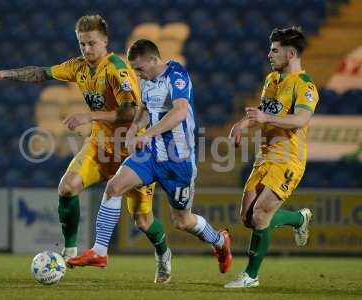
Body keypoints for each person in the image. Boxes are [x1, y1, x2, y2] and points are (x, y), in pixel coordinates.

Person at [0, 15, 172, 284]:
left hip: (131, 150)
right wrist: (4, 74)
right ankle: (69, 252)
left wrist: (90, 116)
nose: (87, 49)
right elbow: (42, 73)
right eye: (82, 44)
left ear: (105, 41)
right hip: (99, 146)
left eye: (92, 43)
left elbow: (130, 113)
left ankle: (163, 254)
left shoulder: (119, 70)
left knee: (142, 222)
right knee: (67, 187)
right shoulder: (79, 67)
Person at [69, 39, 233, 275]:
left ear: (155, 60)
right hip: (152, 153)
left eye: (139, 68)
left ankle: (219, 241)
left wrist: (148, 134)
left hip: (179, 162)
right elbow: (145, 110)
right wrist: (135, 129)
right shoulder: (146, 80)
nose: (137, 74)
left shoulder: (176, 75)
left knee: (182, 220)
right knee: (114, 187)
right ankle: (99, 251)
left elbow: (179, 112)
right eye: (134, 69)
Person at [224, 27, 317, 288]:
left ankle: (251, 276)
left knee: (261, 216)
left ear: (291, 53)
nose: (269, 55)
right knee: (247, 218)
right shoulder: (272, 80)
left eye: (274, 50)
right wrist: (241, 126)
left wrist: (266, 118)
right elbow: (261, 114)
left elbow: (301, 119)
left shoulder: (305, 85)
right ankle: (299, 218)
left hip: (289, 160)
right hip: (264, 157)